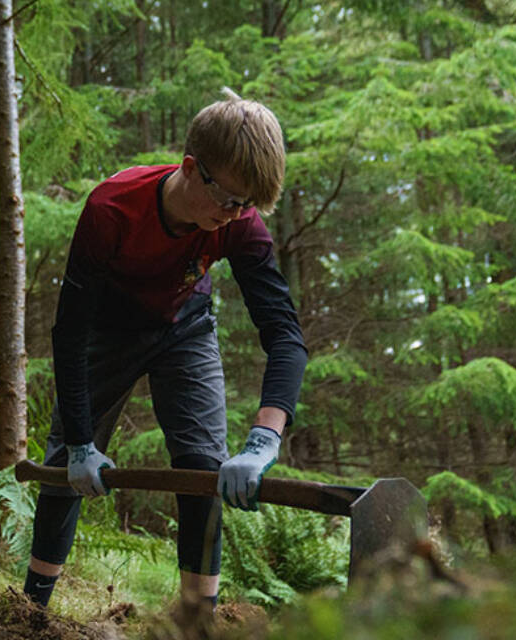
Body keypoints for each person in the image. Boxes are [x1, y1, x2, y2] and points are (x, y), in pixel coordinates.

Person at [22, 89, 307, 611]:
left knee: (202, 469)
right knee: (66, 464)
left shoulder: (240, 223)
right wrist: (84, 444)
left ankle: (198, 622)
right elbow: (71, 330)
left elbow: (284, 334)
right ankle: (31, 609)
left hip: (185, 329)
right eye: (228, 199)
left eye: (246, 204)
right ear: (192, 167)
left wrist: (266, 437)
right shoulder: (112, 208)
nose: (235, 213)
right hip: (106, 333)